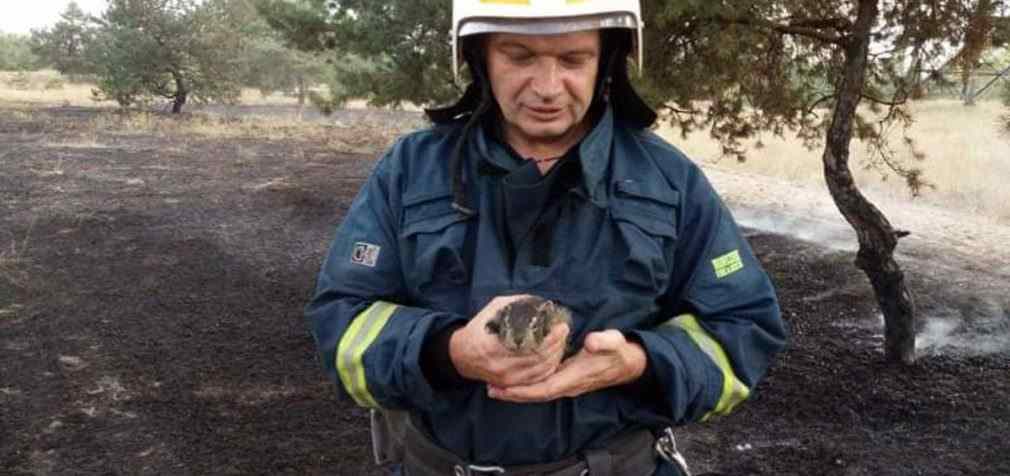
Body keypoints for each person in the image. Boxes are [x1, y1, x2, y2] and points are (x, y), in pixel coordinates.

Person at [306, 1, 788, 475]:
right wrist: (449, 352)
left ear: (606, 62)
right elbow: (342, 326)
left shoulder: (668, 180)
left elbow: (742, 329)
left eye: (573, 59)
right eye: (519, 56)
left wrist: (637, 362)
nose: (547, 87)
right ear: (479, 58)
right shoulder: (412, 170)